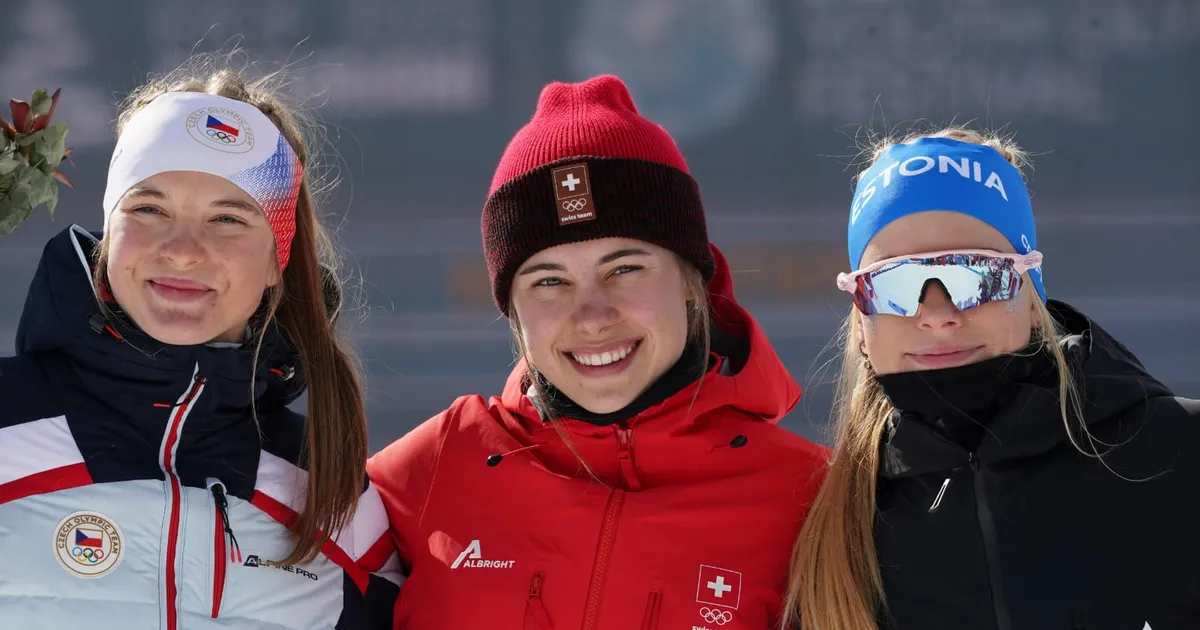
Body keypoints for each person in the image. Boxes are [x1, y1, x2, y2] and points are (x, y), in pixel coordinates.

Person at [367, 75, 828, 629]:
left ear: (691, 280)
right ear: (511, 310)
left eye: (625, 269)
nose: (592, 317)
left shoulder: (814, 501)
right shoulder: (425, 471)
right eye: (548, 281)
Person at [0, 60, 400, 628]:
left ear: (274, 262)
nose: (183, 250)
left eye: (228, 220)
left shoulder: (334, 495)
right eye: (149, 209)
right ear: (109, 235)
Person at [784, 128, 1200, 630]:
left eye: (977, 275)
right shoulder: (823, 530)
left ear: (1030, 290)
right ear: (860, 312)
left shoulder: (1180, 453)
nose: (936, 316)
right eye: (894, 284)